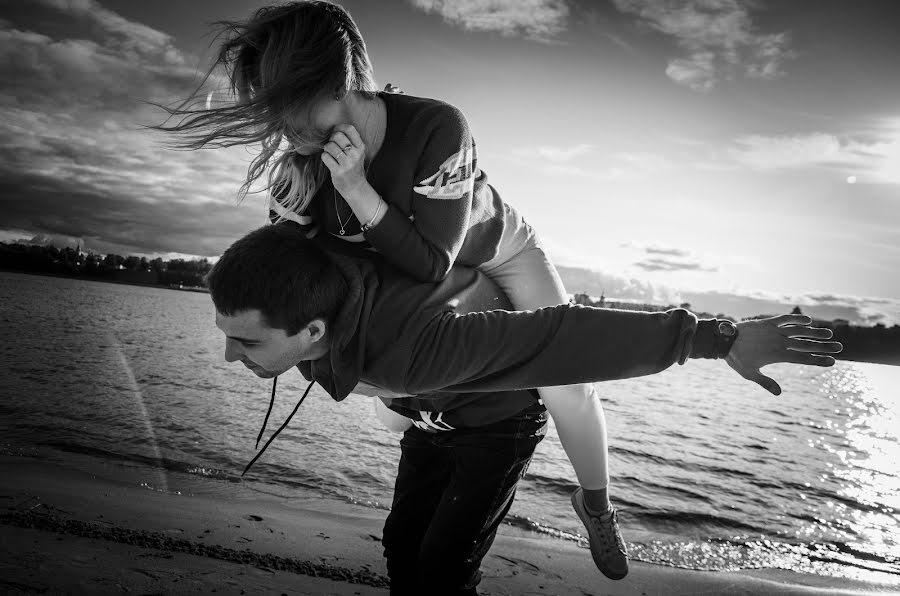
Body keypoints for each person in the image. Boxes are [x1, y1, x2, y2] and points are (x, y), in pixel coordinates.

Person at [159, 0, 621, 576]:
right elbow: (303, 275)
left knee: (564, 380)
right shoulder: (298, 162)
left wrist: (354, 187)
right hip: (405, 267)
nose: (285, 126)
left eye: (293, 104)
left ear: (339, 80)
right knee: (394, 413)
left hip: (495, 247)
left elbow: (431, 261)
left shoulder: (436, 126)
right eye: (273, 111)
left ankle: (596, 503)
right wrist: (289, 231)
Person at [206, 223, 841, 594]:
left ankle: (597, 502)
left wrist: (718, 337)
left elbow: (566, 336)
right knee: (403, 545)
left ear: (313, 331)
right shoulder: (315, 275)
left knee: (442, 567)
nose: (231, 357)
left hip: (497, 424)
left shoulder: (412, 352)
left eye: (246, 341)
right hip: (430, 414)